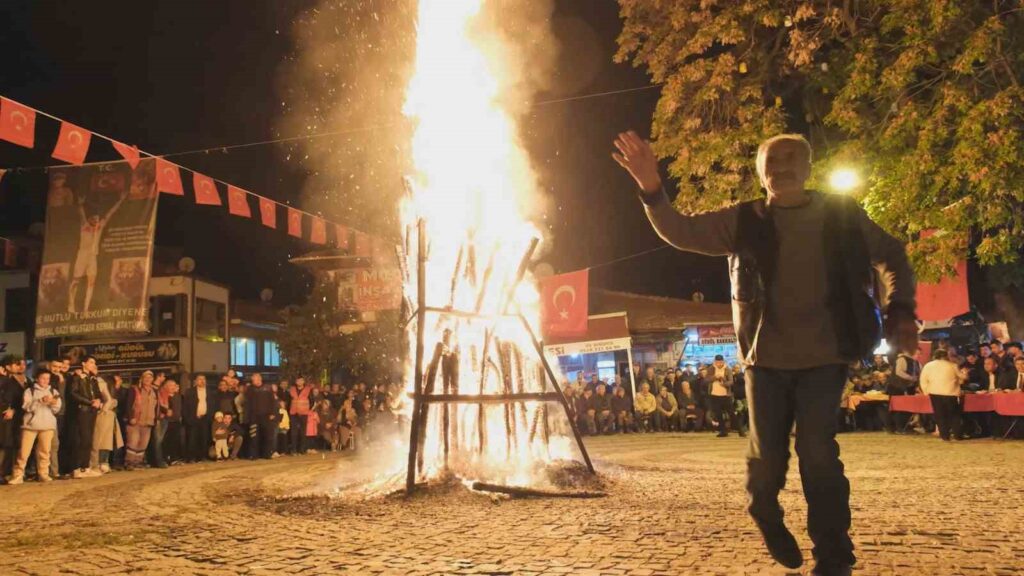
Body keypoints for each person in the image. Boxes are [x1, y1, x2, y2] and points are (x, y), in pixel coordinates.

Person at [614, 130, 917, 575]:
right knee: (765, 463)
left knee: (818, 454)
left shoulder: (841, 214)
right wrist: (651, 187)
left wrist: (901, 310)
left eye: (793, 157)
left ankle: (834, 558)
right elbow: (679, 230)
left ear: (810, 167)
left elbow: (892, 253)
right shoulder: (744, 221)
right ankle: (765, 512)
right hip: (765, 362)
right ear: (760, 174)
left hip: (826, 356)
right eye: (772, 160)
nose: (782, 166)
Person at [68, 190, 127, 313]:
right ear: (89, 219)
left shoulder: (99, 227)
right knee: (76, 280)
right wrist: (80, 204)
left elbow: (110, 213)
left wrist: (120, 200)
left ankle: (86, 309)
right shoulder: (85, 226)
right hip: (82, 255)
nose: (95, 221)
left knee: (91, 282)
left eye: (96, 219)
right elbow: (81, 213)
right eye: (93, 219)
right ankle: (71, 305)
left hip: (93, 256)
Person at [7, 368, 62, 484]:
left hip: (47, 425)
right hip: (30, 425)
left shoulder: (54, 392)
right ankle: (18, 475)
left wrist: (53, 403)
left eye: (47, 378)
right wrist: (39, 401)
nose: (45, 381)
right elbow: (26, 407)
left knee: (45, 452)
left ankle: (43, 474)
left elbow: (57, 409)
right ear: (37, 379)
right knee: (24, 452)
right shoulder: (29, 391)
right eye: (43, 378)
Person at [69, 356, 103, 478]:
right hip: (82, 410)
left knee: (88, 439)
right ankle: (78, 468)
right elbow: (74, 393)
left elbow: (98, 392)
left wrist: (99, 401)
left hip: (92, 411)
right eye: (91, 362)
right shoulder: (77, 377)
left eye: (95, 362)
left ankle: (86, 466)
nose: (93, 364)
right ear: (84, 363)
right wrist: (89, 402)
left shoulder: (93, 378)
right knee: (82, 439)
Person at [919, 349, 963, 441]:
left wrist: (926, 391)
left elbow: (923, 379)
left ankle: (944, 435)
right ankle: (957, 434)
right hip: (951, 393)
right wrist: (965, 374)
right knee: (954, 415)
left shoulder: (928, 366)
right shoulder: (952, 365)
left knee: (940, 415)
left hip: (935, 393)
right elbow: (961, 377)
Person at [123, 371, 158, 470]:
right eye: (145, 377)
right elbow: (128, 404)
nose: (148, 379)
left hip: (148, 422)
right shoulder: (134, 390)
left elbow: (156, 407)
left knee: (143, 444)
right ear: (141, 379)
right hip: (136, 421)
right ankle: (129, 463)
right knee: (133, 442)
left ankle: (138, 462)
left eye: (150, 377)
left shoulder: (154, 391)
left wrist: (156, 419)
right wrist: (131, 417)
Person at [90, 372, 120, 473]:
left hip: (105, 416)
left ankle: (102, 462)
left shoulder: (110, 392)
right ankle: (101, 463)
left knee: (102, 441)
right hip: (104, 416)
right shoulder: (104, 388)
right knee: (103, 441)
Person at [244, 373, 278, 459]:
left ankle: (267, 454)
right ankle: (254, 455)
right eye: (252, 380)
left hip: (266, 416)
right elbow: (247, 404)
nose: (253, 381)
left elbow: (273, 402)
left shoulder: (268, 388)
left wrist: (273, 413)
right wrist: (246, 417)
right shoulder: (250, 389)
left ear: (259, 379)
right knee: (254, 436)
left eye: (254, 380)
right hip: (254, 416)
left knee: (267, 436)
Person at [707, 355, 743, 438]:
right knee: (718, 414)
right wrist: (714, 377)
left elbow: (731, 382)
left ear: (723, 361)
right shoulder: (711, 369)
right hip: (714, 394)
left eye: (721, 362)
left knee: (731, 413)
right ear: (715, 362)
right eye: (717, 362)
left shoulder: (728, 369)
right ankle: (723, 431)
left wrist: (724, 383)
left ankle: (740, 430)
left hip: (725, 395)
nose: (719, 364)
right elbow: (707, 379)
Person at [886, 349, 920, 434]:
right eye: (917, 354)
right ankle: (896, 427)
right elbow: (899, 372)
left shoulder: (915, 362)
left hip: (908, 387)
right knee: (898, 408)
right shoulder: (902, 359)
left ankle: (904, 427)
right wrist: (911, 378)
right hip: (897, 387)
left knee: (907, 409)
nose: (918, 356)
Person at [183, 375, 212, 462]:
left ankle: (202, 456)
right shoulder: (189, 392)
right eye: (200, 379)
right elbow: (185, 407)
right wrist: (187, 419)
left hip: (205, 418)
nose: (202, 381)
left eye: (204, 379)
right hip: (193, 418)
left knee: (204, 438)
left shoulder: (210, 392)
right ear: (195, 381)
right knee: (192, 439)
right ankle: (191, 457)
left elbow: (213, 405)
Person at [288, 376, 312, 455]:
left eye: (301, 380)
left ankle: (302, 449)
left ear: (303, 381)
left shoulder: (308, 390)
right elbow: (289, 401)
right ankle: (294, 450)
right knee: (293, 432)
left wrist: (306, 409)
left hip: (304, 413)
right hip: (294, 413)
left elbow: (312, 401)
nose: (299, 382)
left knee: (302, 432)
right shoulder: (292, 390)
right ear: (296, 382)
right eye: (298, 380)